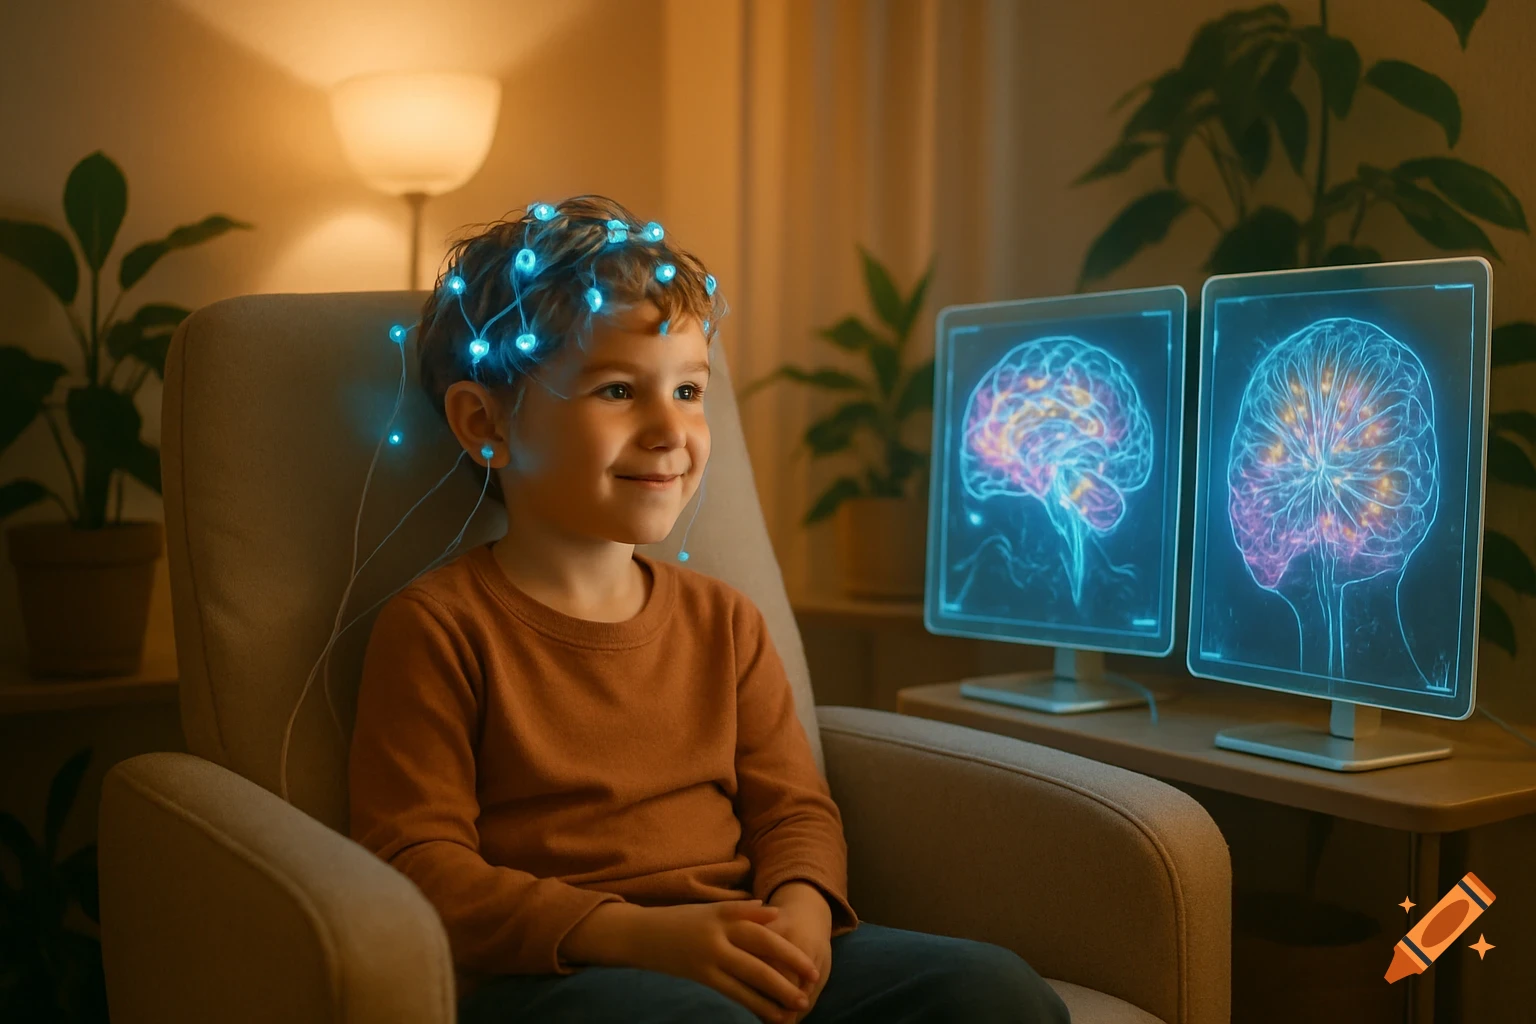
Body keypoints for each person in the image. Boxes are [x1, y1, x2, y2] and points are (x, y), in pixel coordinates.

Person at [348, 195, 1071, 1024]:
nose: (670, 430)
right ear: (485, 422)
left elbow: (793, 809)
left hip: (741, 938)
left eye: (688, 389)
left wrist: (801, 913)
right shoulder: (439, 627)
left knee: (993, 992)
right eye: (619, 389)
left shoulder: (724, 623)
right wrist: (640, 938)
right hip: (562, 977)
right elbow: (419, 862)